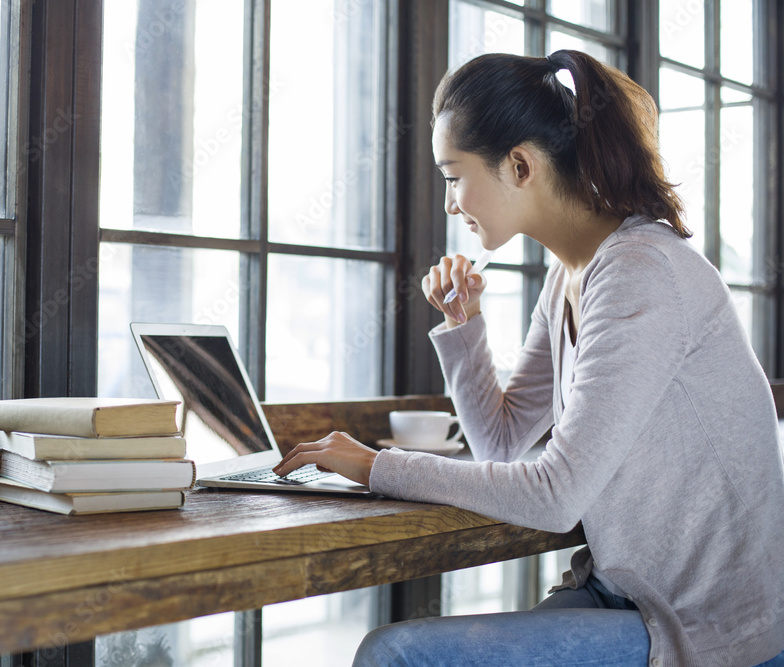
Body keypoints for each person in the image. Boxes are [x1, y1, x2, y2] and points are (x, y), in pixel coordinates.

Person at [273, 50, 784, 667]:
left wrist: (378, 466)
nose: (448, 204)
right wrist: (464, 326)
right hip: (624, 595)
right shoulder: (570, 273)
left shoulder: (639, 274)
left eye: (452, 176)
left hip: (709, 625)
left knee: (397, 654)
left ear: (520, 165)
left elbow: (555, 495)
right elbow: (503, 442)